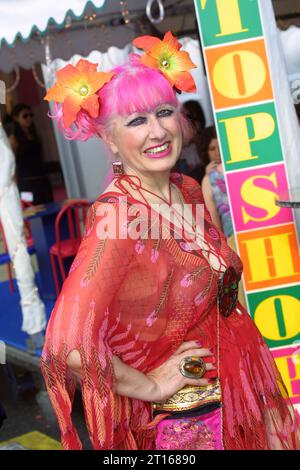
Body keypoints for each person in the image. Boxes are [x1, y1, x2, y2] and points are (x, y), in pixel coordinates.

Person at [41, 32, 300, 450]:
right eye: (137, 121)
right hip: (194, 413)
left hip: (240, 378)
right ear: (109, 139)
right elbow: (66, 345)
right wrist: (148, 385)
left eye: (164, 112)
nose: (158, 131)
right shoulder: (120, 215)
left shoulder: (186, 188)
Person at [5, 104, 53, 204]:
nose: (29, 118)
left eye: (31, 115)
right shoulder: (14, 139)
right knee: (32, 213)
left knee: (49, 210)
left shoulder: (36, 136)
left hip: (42, 180)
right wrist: (13, 183)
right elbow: (10, 163)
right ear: (16, 118)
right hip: (26, 183)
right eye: (25, 116)